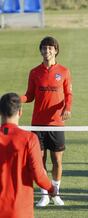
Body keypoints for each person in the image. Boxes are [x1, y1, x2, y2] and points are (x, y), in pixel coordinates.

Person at [21, 36, 72, 207]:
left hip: (56, 124)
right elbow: (29, 96)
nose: (47, 51)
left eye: (50, 48)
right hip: (37, 124)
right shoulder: (34, 72)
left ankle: (55, 193)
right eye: (44, 48)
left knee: (57, 160)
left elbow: (69, 94)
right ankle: (44, 194)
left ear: (56, 50)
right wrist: (17, 98)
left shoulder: (64, 71)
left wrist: (67, 108)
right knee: (40, 161)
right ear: (41, 51)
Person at [0, 93, 57, 217]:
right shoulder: (29, 138)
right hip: (19, 210)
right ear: (20, 112)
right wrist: (51, 189)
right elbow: (39, 175)